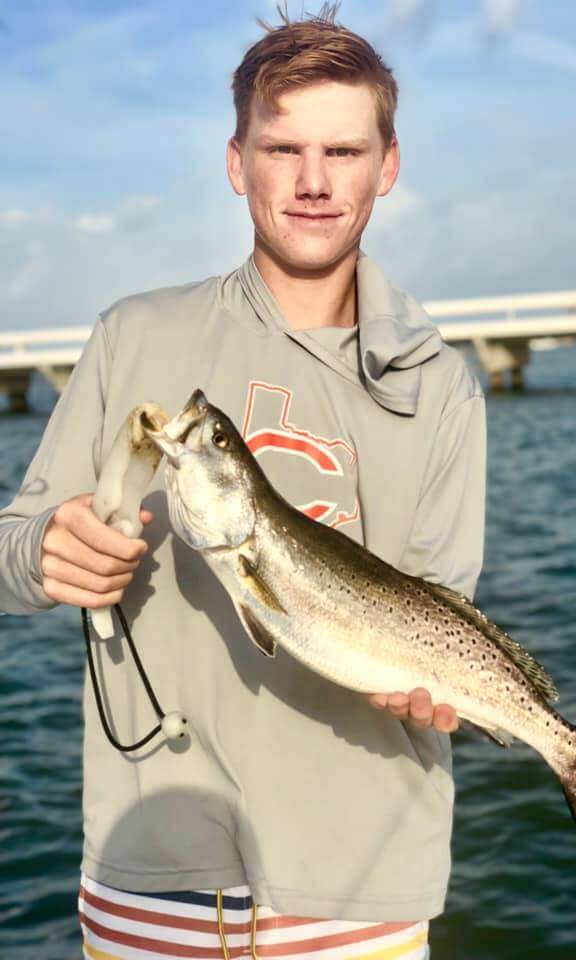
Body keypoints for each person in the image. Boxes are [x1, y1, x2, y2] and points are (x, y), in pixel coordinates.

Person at [0, 6, 486, 959]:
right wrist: (42, 555)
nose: (314, 182)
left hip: (363, 894)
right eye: (282, 149)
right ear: (236, 163)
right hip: (150, 884)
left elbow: (442, 604)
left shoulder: (443, 385)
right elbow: (10, 554)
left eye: (344, 151)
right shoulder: (133, 335)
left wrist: (437, 689)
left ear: (388, 166)